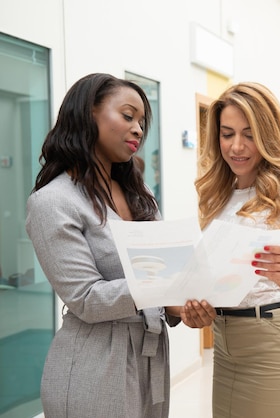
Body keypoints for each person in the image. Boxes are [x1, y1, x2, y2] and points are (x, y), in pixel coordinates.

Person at [25, 73, 181, 418]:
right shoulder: (53, 201)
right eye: (128, 116)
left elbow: (162, 276)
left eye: (142, 122)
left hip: (150, 359)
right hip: (95, 365)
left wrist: (180, 305)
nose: (139, 129)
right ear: (88, 114)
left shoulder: (141, 195)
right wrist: (170, 282)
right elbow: (86, 299)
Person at [180, 82, 280, 418]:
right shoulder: (217, 195)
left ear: (268, 135)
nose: (236, 146)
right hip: (224, 348)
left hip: (277, 350)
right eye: (227, 134)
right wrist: (196, 308)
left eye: (249, 134)